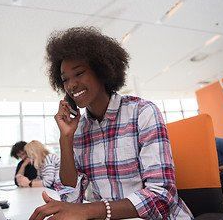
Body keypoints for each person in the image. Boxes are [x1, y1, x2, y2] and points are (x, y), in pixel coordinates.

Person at [29, 27, 193, 219]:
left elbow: (161, 196)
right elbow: (70, 201)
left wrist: (90, 210)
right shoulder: (79, 131)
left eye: (79, 73)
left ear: (102, 70)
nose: (71, 85)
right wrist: (66, 138)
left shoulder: (142, 112)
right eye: (65, 80)